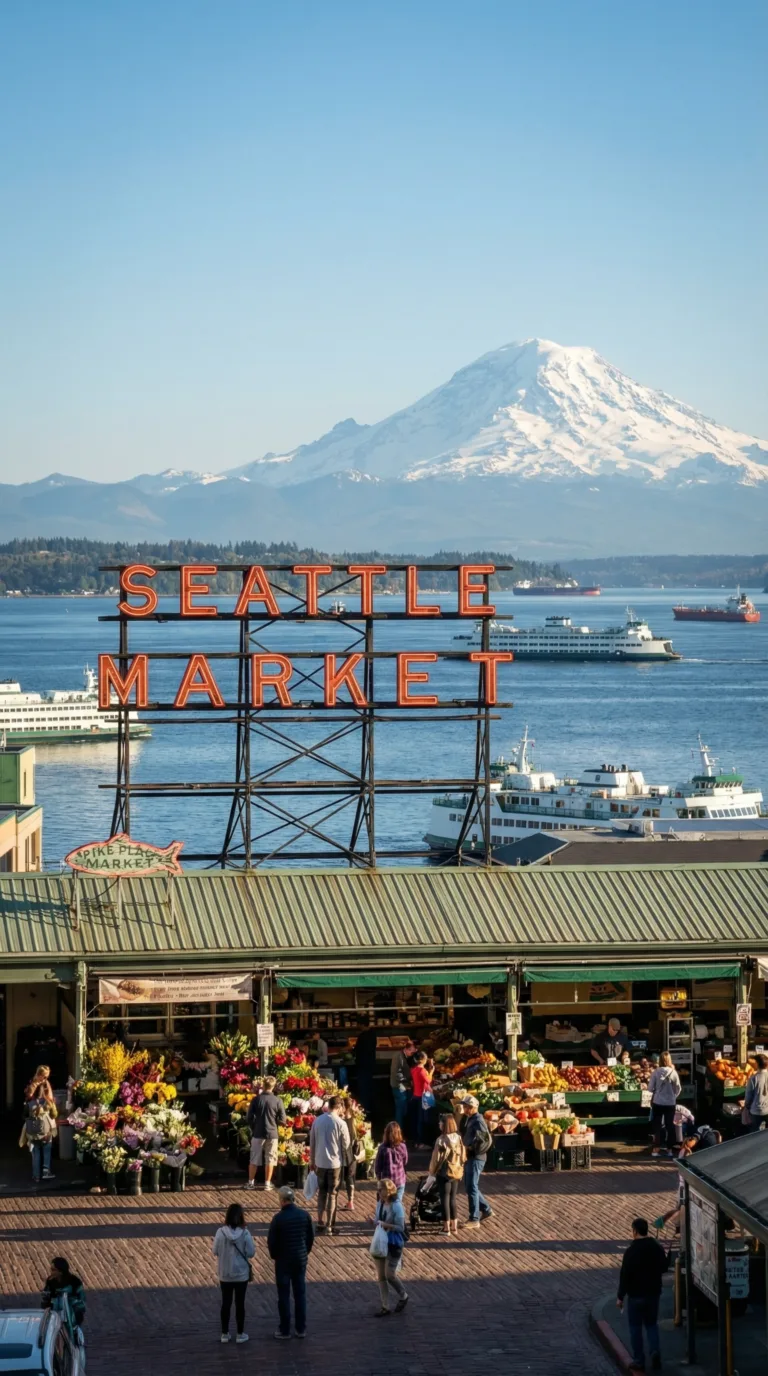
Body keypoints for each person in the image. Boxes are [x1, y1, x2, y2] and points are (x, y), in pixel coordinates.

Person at [616, 1217, 669, 1373]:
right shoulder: (656, 1247)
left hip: (636, 1295)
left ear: (634, 1231)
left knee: (635, 1328)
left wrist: (620, 1296)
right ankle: (655, 1351)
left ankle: (639, 1360)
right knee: (652, 1325)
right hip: (653, 1293)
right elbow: (664, 1267)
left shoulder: (631, 1251)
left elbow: (625, 1275)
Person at [267, 1185, 315, 1341]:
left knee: (284, 1295)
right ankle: (301, 1328)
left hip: (283, 1261)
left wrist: (275, 1256)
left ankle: (285, 1329)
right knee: (300, 1294)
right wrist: (304, 1252)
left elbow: (272, 1242)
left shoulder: (278, 1219)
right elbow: (310, 1237)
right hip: (300, 1259)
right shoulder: (304, 1215)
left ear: (281, 1200)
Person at [212, 1202, 256, 1345]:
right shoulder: (245, 1233)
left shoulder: (220, 1232)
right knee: (240, 1304)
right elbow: (251, 1253)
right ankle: (240, 1333)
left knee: (226, 1303)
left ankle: (224, 1333)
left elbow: (215, 1251)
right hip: (241, 1274)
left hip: (225, 1273)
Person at [309, 1095, 350, 1235]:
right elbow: (346, 1144)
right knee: (332, 1194)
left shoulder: (318, 1121)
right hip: (334, 1164)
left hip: (320, 1162)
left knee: (321, 1192)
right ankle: (329, 1225)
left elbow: (312, 1142)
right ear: (338, 1107)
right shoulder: (341, 1123)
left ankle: (319, 1221)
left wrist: (311, 1160)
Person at [371, 1179, 409, 1317]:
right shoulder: (380, 1204)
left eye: (381, 1189)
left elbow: (401, 1227)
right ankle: (385, 1306)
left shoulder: (397, 1206)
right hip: (381, 1242)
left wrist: (386, 1225)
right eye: (378, 1189)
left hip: (393, 1243)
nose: (378, 1192)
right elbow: (378, 1221)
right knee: (381, 1275)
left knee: (390, 1274)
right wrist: (374, 1222)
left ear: (388, 1190)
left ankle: (403, 1295)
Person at [246, 1075, 286, 1191]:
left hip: (258, 1132)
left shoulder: (256, 1099)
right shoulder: (278, 1100)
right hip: (272, 1133)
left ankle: (250, 1183)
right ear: (273, 1087)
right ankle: (267, 1183)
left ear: (263, 1085)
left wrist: (254, 1125)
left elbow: (249, 1117)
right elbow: (283, 1120)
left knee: (254, 1158)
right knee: (271, 1159)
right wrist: (275, 1122)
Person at [459, 1095, 494, 1229]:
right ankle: (486, 1209)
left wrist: (473, 1149)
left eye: (466, 1106)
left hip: (476, 1158)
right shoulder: (470, 1119)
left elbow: (486, 1140)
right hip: (472, 1157)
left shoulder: (478, 1120)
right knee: (470, 1186)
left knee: (472, 1187)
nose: (464, 1108)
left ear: (472, 1107)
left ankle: (474, 1219)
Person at [428, 1113, 465, 1236]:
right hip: (456, 1171)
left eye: (440, 1122)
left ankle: (446, 1228)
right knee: (453, 1199)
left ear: (444, 1125)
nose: (439, 1124)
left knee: (444, 1199)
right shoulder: (458, 1137)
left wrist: (431, 1172)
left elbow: (436, 1159)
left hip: (444, 1172)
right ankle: (454, 1226)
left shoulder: (441, 1140)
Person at [648, 1052, 682, 1157]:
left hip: (658, 1102)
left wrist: (657, 1092)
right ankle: (669, 1150)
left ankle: (656, 1149)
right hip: (670, 1103)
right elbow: (678, 1088)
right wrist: (672, 1096)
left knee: (657, 1125)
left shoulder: (655, 1072)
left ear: (660, 1061)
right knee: (670, 1125)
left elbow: (650, 1088)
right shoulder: (674, 1073)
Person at [42, 1256, 86, 1332]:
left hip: (71, 1314)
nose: (51, 1272)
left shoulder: (75, 1282)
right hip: (55, 1314)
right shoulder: (50, 1281)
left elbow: (81, 1301)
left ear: (60, 1271)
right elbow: (46, 1298)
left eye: (53, 1270)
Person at [374, 1121, 409, 1204]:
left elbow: (378, 1167)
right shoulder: (403, 1146)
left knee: (385, 1205)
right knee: (397, 1204)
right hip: (400, 1180)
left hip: (387, 1183)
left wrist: (379, 1179)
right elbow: (405, 1161)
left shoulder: (382, 1148)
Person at [23, 1100, 57, 1183]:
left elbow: (25, 1116)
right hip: (47, 1132)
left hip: (33, 1134)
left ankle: (36, 1176)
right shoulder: (49, 1102)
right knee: (47, 1152)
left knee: (36, 1154)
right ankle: (46, 1172)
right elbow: (54, 1115)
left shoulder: (30, 1103)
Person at [340, 1099, 364, 1212]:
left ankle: (333, 1200)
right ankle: (351, 1201)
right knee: (350, 1178)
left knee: (339, 1177)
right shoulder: (355, 1121)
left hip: (343, 1153)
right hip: (353, 1154)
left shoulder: (341, 1122)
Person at [409, 1050, 434, 1148]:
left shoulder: (413, 1069)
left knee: (416, 1119)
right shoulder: (422, 1071)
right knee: (422, 1119)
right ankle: (421, 1142)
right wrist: (431, 1071)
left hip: (415, 1095)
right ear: (423, 1059)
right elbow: (428, 1080)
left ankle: (416, 1141)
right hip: (423, 1097)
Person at [390, 1039, 415, 1129]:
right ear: (407, 1049)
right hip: (399, 1086)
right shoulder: (398, 1057)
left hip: (401, 1086)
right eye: (411, 1052)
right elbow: (396, 1073)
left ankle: (400, 1129)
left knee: (402, 1108)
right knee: (400, 1110)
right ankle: (398, 1131)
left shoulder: (402, 1056)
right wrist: (407, 1082)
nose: (412, 1054)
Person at [354, 1027, 378, 1116]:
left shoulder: (362, 1036)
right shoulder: (373, 1035)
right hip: (370, 1064)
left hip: (362, 1065)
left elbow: (357, 1049)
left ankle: (364, 1108)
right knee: (369, 1086)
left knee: (363, 1087)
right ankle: (370, 1108)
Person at [743, 1052, 768, 1131]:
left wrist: (746, 1107)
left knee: (756, 1134)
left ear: (757, 1064)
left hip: (756, 1110)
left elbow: (748, 1096)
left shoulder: (753, 1078)